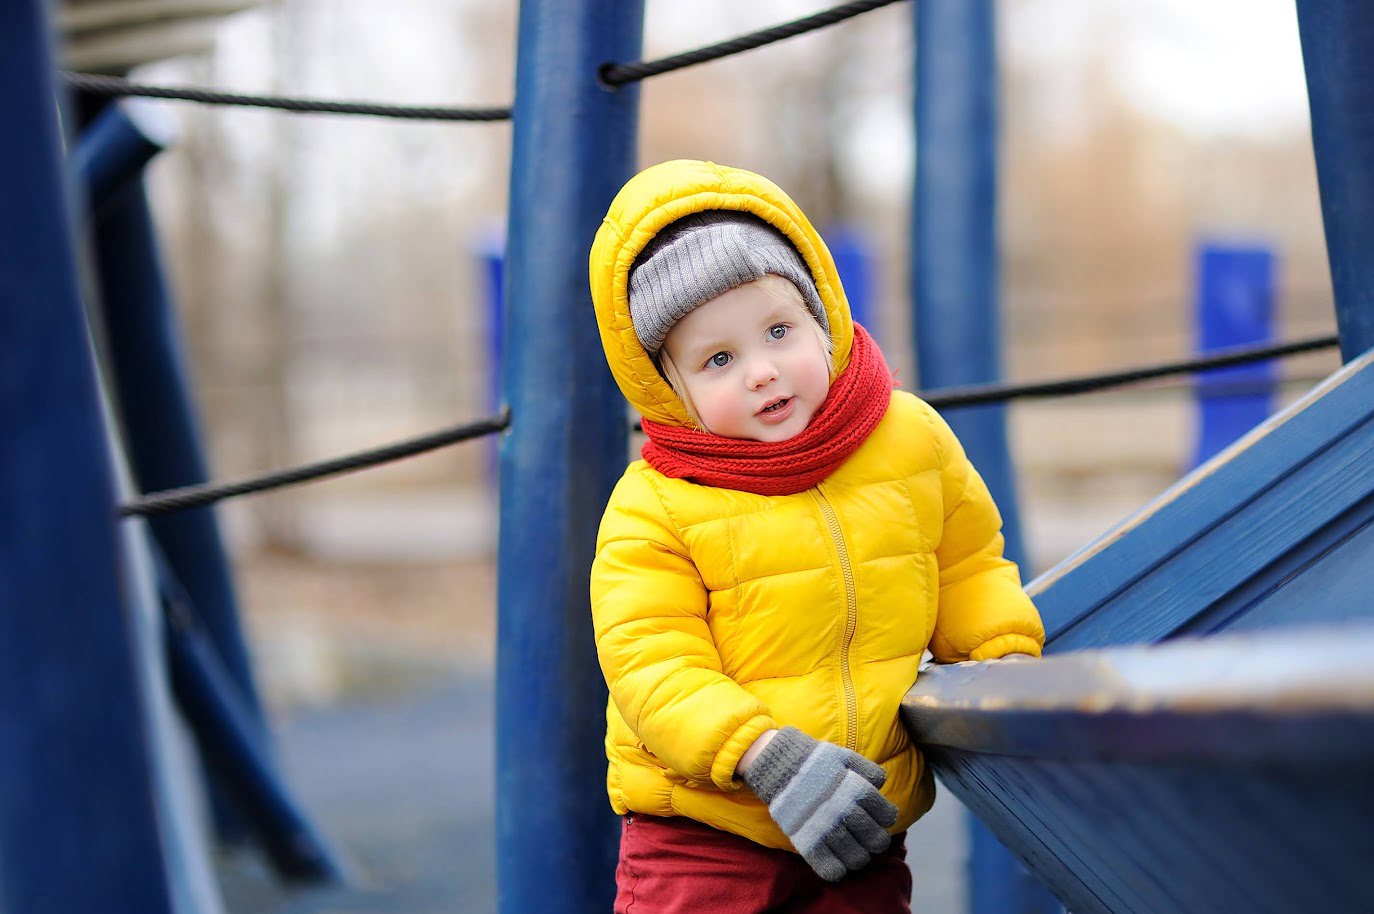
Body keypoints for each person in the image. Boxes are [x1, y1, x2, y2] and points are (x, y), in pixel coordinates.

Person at [588, 159, 1044, 913]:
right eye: (719, 359)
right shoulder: (656, 504)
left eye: (778, 331)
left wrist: (1003, 659)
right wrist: (758, 754)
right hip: (706, 830)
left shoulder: (909, 439)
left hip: (856, 818)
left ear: (822, 314)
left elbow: (967, 565)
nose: (763, 372)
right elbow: (650, 664)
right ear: (668, 387)